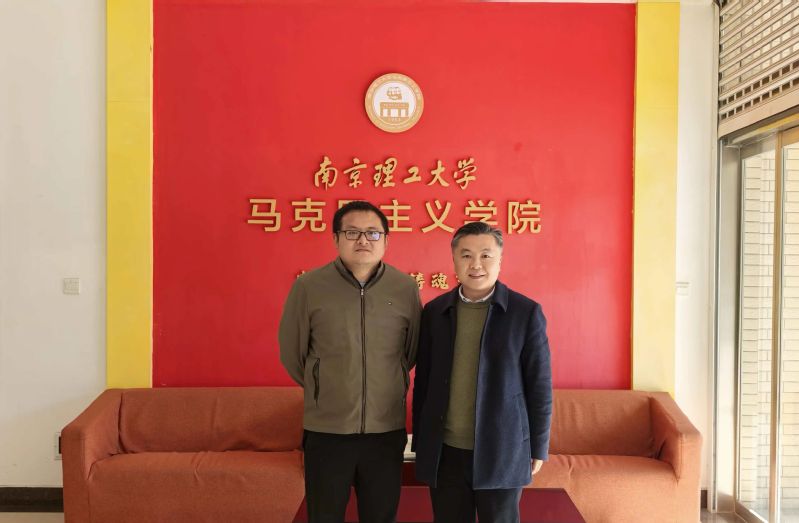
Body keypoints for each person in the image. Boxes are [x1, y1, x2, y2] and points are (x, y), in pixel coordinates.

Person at [279, 200, 422, 523]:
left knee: (380, 515)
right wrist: (324, 386)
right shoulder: (309, 287)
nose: (363, 240)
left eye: (373, 233)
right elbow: (293, 353)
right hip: (327, 430)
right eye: (352, 232)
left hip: (386, 430)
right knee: (324, 515)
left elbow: (410, 351)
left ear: (386, 240)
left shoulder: (404, 288)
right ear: (336, 238)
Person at [412, 221, 552, 523]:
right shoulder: (435, 312)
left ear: (500, 260)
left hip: (503, 449)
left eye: (486, 255)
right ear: (454, 260)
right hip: (446, 453)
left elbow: (539, 385)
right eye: (466, 255)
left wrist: (539, 445)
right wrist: (422, 442)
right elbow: (423, 382)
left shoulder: (524, 313)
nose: (476, 264)